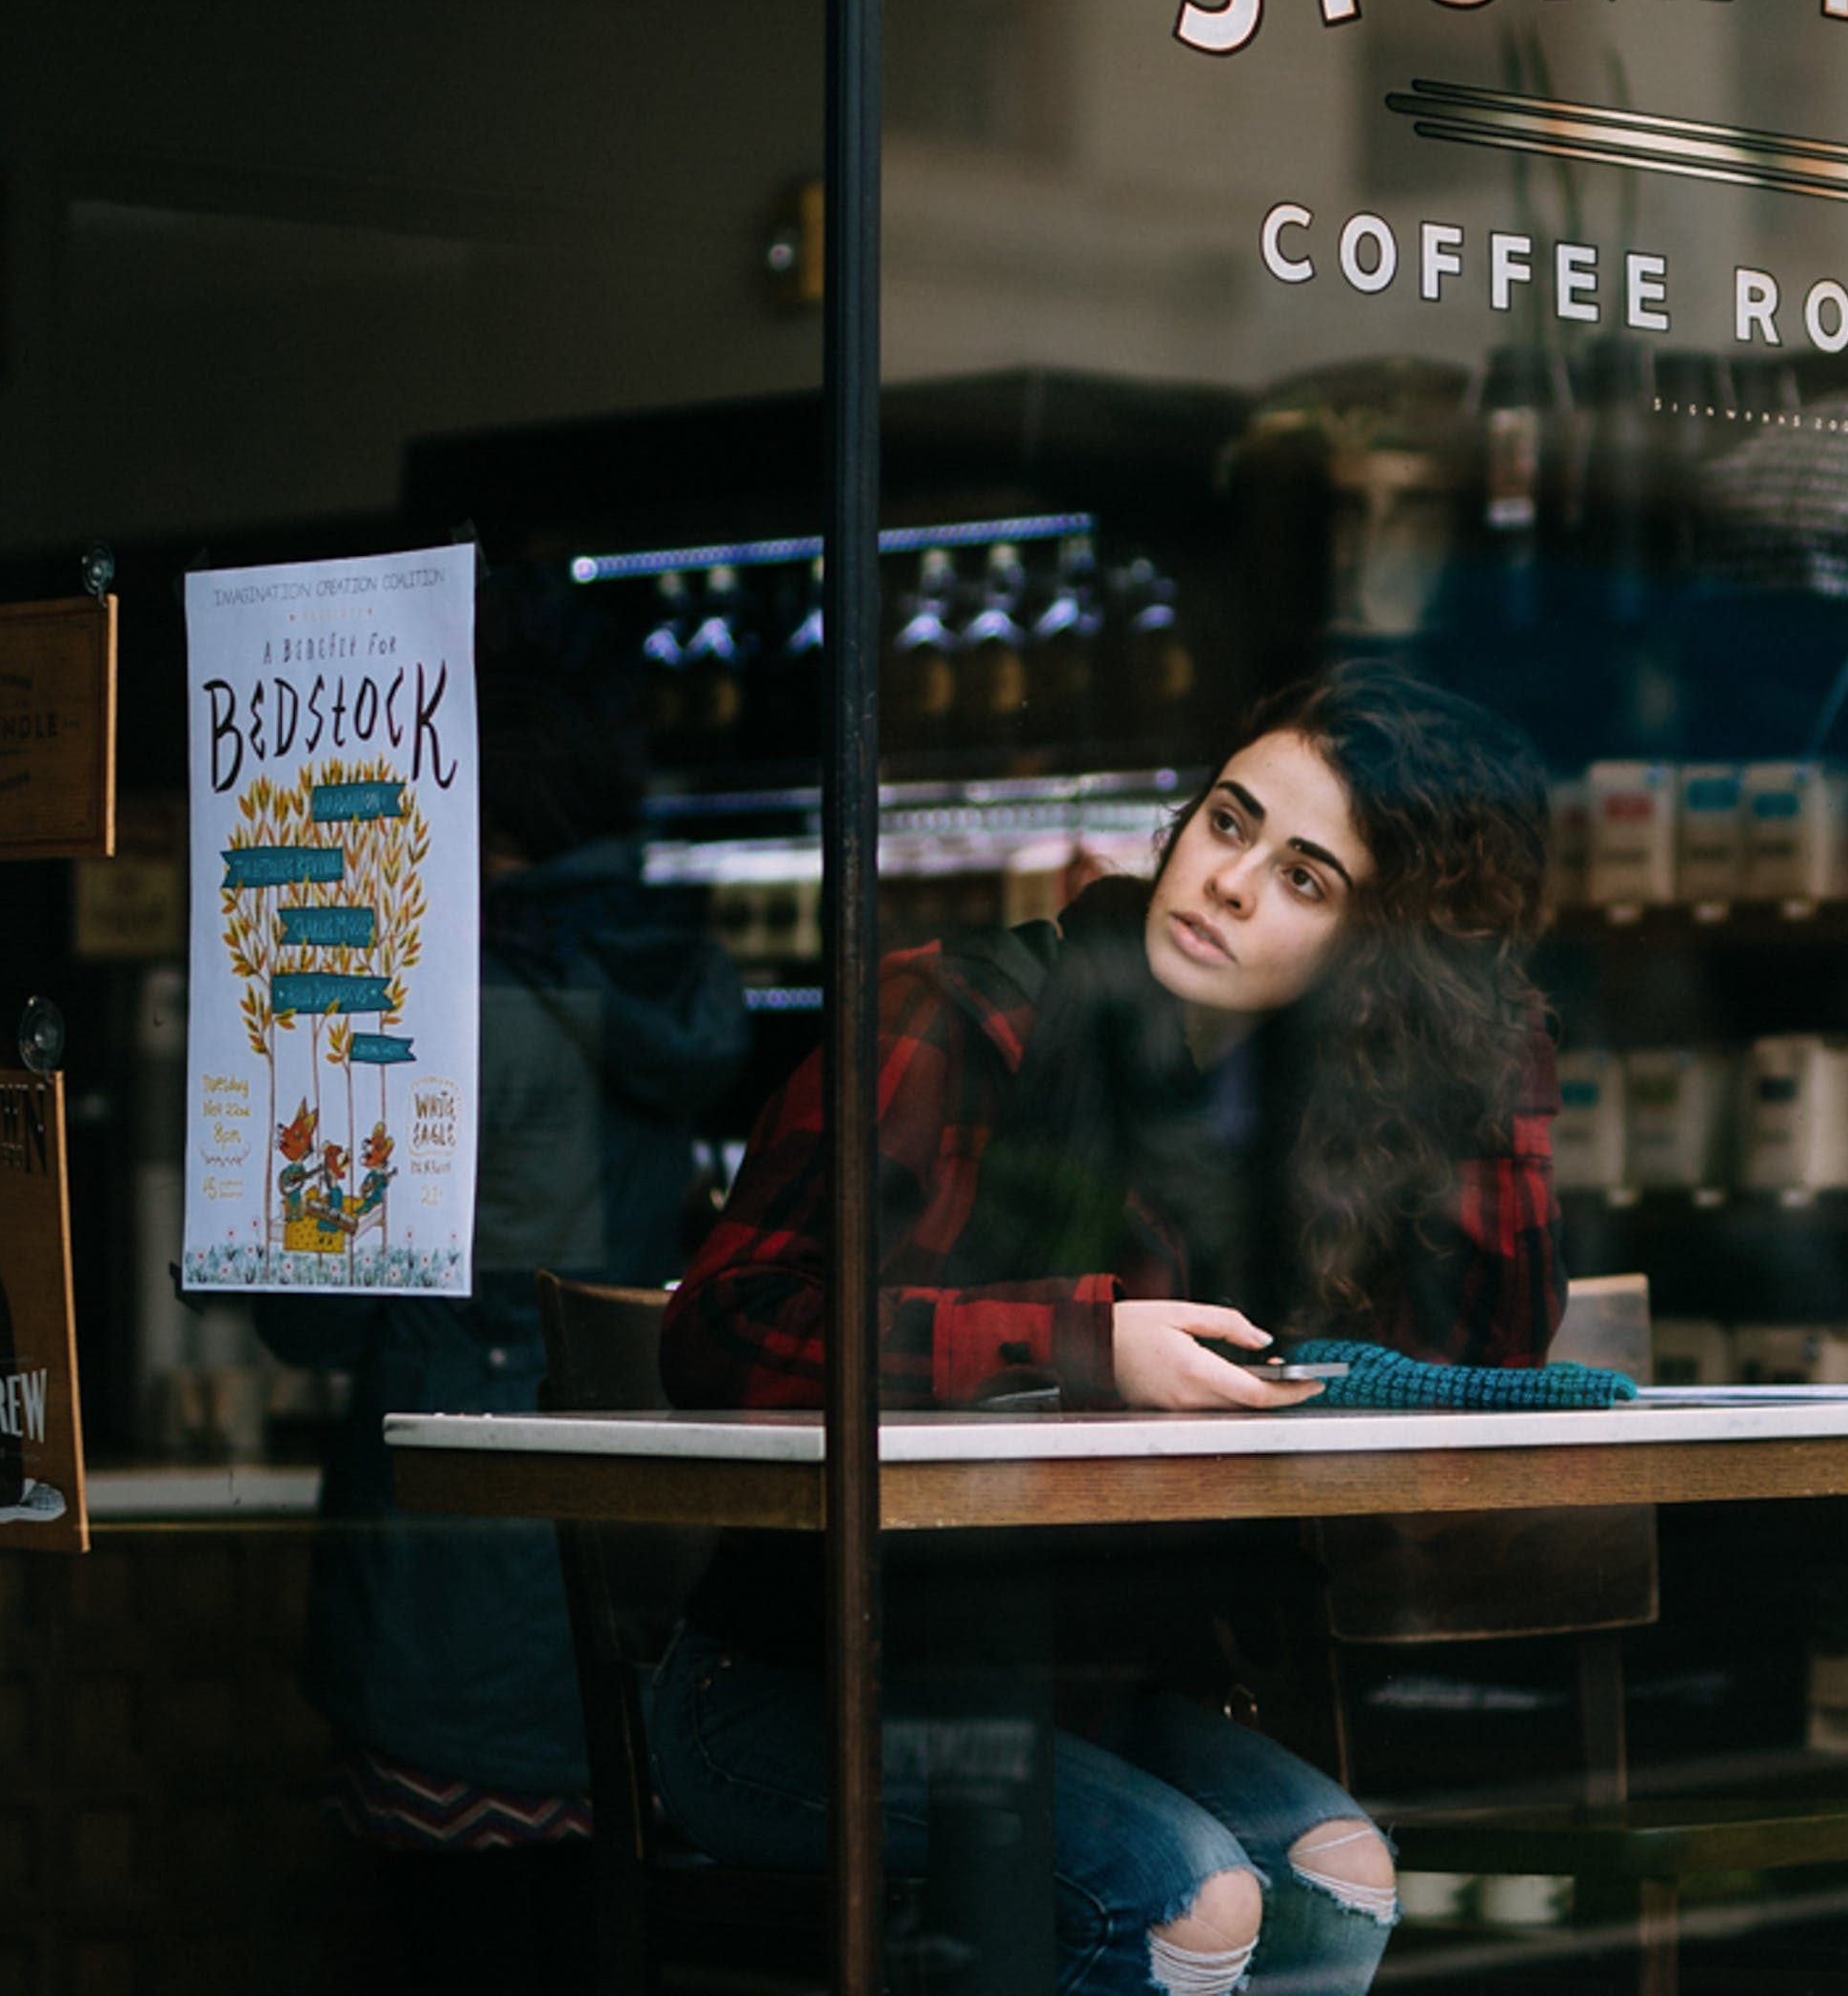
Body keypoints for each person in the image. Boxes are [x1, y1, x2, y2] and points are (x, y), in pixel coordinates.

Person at [651, 662, 1564, 1996]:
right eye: (1232, 821)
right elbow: (723, 1331)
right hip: (787, 1684)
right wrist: (1086, 1342)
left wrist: (1493, 1056)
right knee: (1184, 1891)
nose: (1232, 882)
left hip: (1080, 1685)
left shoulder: (1317, 1131)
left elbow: (1484, 1368)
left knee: (1341, 1871)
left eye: (1309, 880)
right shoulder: (965, 1014)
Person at [258, 626, 748, 1992]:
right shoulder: (657, 965)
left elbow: (311, 1316)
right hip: (627, 1548)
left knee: (450, 1955)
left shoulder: (435, 995)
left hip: (446, 1571)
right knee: (596, 1941)